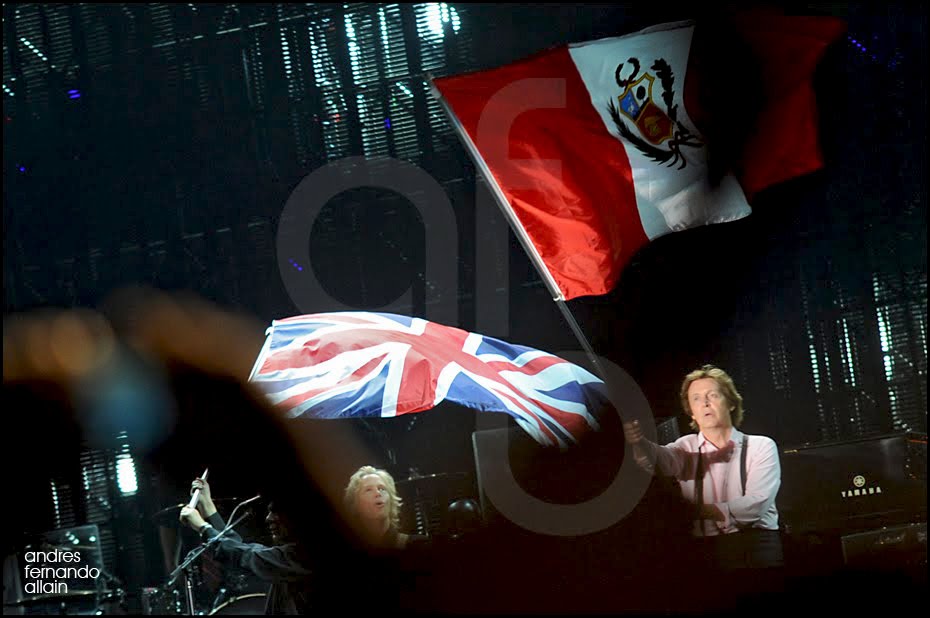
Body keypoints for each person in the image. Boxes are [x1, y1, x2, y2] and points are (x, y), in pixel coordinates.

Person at [624, 365, 783, 574]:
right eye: (696, 399)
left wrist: (697, 511)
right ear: (691, 412)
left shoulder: (761, 446)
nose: (705, 403)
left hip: (757, 546)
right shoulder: (685, 447)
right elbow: (658, 460)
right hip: (704, 550)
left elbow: (757, 504)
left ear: (731, 403)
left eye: (712, 395)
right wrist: (639, 443)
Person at [179, 477, 313, 615]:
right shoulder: (290, 555)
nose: (269, 518)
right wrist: (207, 505)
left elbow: (246, 555)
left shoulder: (305, 556)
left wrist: (203, 527)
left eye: (276, 512)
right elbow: (240, 548)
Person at [343, 466, 429, 552]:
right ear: (355, 504)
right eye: (368, 490)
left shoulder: (418, 546)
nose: (378, 493)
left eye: (382, 489)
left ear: (391, 500)